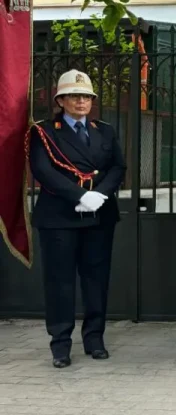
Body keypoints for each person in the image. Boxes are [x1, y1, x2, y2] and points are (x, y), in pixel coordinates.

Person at [27, 69, 126, 369]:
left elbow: (118, 167)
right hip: (60, 215)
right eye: (74, 96)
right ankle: (60, 344)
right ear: (61, 100)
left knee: (96, 279)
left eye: (86, 96)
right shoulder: (43, 131)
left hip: (99, 215)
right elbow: (43, 170)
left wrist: (101, 195)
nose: (81, 101)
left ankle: (94, 339)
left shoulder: (104, 130)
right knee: (60, 282)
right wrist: (80, 196)